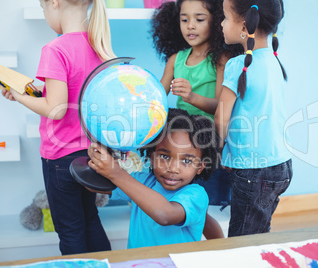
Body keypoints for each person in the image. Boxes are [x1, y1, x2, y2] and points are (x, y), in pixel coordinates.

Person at [1, 0, 116, 254]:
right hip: (91, 154)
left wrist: (19, 96)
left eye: (43, 10)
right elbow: (76, 93)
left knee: (70, 229)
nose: (45, 16)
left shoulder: (55, 48)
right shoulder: (98, 44)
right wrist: (34, 91)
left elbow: (56, 108)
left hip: (60, 159)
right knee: (90, 219)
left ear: (54, 3)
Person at [151, 0, 243, 239]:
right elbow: (158, 99)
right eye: (184, 19)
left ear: (216, 21)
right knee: (178, 197)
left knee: (201, 203)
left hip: (207, 142)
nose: (190, 26)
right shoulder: (176, 60)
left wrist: (191, 97)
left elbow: (221, 105)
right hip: (179, 140)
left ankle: (215, 244)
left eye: (199, 19)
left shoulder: (221, 59)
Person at [87, 108, 220, 248]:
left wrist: (117, 174)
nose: (172, 168)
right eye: (164, 156)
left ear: (200, 167)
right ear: (152, 157)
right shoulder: (141, 181)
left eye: (186, 161)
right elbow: (92, 185)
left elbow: (164, 215)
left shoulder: (196, 195)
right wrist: (99, 155)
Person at [215, 0, 293, 237]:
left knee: (242, 238)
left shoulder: (238, 64)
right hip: (281, 166)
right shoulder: (275, 62)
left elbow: (221, 118)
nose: (221, 23)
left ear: (243, 26)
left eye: (225, 17)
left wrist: (215, 153)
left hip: (254, 171)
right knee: (258, 229)